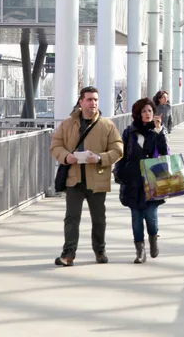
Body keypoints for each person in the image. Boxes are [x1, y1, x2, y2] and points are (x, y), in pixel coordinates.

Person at [50, 86, 124, 266]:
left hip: (97, 178)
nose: (93, 103)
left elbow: (118, 149)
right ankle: (68, 254)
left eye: (96, 100)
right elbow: (55, 145)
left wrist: (99, 158)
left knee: (99, 218)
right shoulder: (68, 124)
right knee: (71, 217)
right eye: (90, 99)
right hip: (74, 178)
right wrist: (66, 156)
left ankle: (100, 250)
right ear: (81, 102)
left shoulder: (107, 125)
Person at [114, 98, 169, 263]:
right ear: (138, 114)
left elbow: (164, 152)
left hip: (153, 180)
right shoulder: (129, 132)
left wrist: (159, 132)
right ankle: (140, 251)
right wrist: (119, 172)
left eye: (150, 111)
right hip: (133, 180)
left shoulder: (158, 132)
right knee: (136, 218)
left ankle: (153, 239)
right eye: (144, 111)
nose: (147, 114)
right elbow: (122, 154)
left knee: (151, 216)